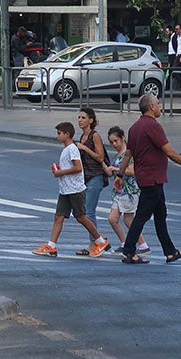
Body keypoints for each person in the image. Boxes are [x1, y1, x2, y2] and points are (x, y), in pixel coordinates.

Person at [114, 94, 181, 264]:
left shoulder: (135, 127)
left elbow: (128, 154)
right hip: (152, 178)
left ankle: (170, 252)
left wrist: (120, 175)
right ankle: (129, 251)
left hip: (148, 178)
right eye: (158, 103)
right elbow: (169, 151)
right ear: (151, 107)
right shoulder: (152, 126)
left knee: (160, 215)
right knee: (142, 215)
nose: (160, 106)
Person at [32, 122, 110, 258]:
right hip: (66, 190)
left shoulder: (72, 149)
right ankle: (51, 246)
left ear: (67, 134)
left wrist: (60, 173)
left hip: (75, 189)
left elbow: (78, 168)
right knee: (58, 216)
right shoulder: (66, 149)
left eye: (59, 133)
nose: (57, 136)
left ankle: (100, 241)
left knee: (81, 217)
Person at [103, 126, 150, 256]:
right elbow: (111, 172)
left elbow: (132, 171)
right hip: (119, 192)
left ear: (123, 139)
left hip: (130, 191)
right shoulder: (118, 155)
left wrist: (117, 170)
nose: (114, 144)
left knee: (128, 221)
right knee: (112, 219)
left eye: (116, 141)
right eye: (111, 142)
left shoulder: (129, 155)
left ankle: (143, 245)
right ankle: (124, 243)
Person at [75, 108, 107, 255]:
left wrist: (83, 148)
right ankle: (97, 240)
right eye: (79, 117)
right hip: (85, 178)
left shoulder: (95, 136)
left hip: (96, 177)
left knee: (89, 212)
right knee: (86, 211)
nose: (80, 120)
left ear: (91, 120)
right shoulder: (82, 137)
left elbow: (100, 157)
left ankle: (95, 243)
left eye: (83, 117)